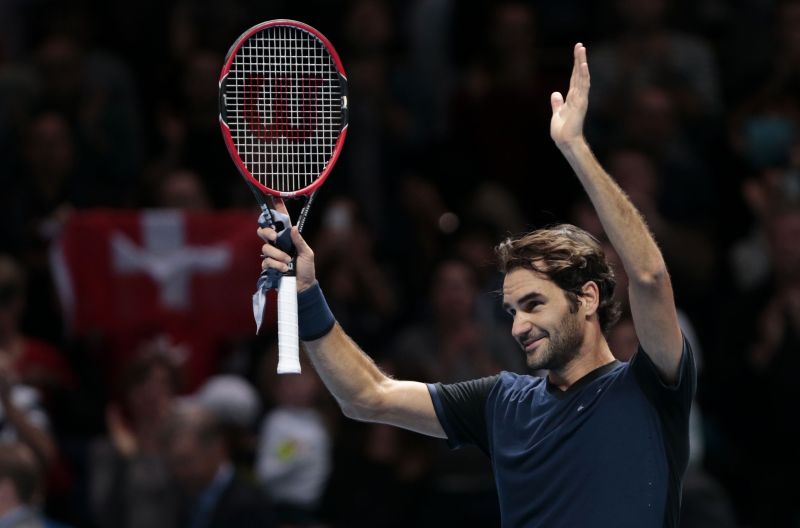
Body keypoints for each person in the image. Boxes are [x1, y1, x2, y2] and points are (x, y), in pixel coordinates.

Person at [259, 43, 696, 527]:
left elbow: (651, 278)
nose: (519, 326)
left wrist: (575, 147)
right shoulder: (502, 402)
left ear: (587, 296)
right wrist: (307, 294)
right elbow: (367, 395)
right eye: (512, 311)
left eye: (534, 303)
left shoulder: (650, 385)